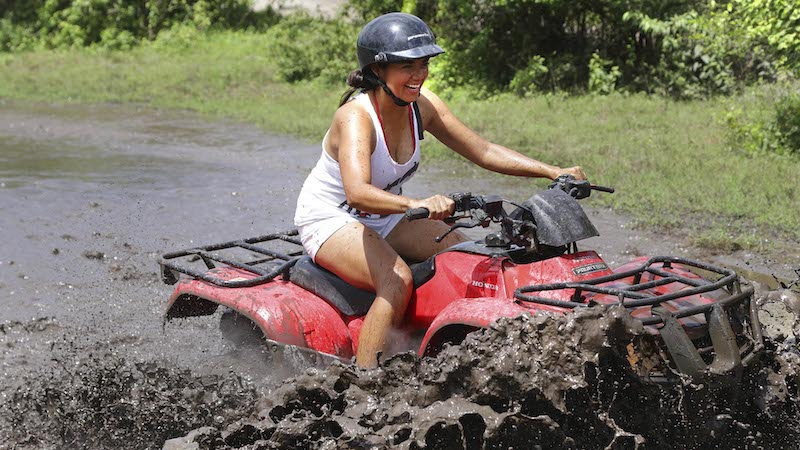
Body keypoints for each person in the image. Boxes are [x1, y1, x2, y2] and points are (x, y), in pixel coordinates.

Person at [294, 12, 586, 368]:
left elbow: (483, 150)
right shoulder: (356, 117)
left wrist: (552, 171)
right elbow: (357, 193)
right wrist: (416, 203)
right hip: (331, 217)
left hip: (385, 217)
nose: (419, 75)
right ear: (376, 71)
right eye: (407, 66)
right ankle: (364, 376)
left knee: (461, 253)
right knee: (396, 278)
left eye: (424, 64)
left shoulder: (423, 106)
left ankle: (437, 343)